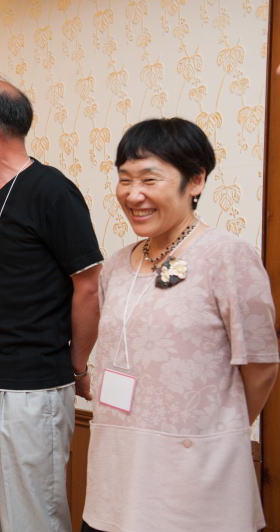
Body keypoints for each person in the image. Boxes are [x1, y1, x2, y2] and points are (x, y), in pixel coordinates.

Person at [82, 118, 279, 532]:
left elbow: (261, 365)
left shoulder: (227, 256)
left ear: (196, 181)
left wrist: (212, 427)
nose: (133, 194)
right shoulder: (116, 266)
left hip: (194, 476)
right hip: (116, 471)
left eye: (149, 179)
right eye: (124, 180)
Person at [0, 75, 103, 532]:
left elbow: (89, 287)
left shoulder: (52, 191)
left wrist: (77, 366)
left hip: (32, 389)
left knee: (31, 518)